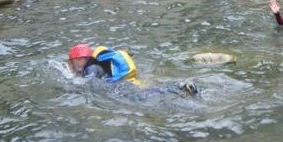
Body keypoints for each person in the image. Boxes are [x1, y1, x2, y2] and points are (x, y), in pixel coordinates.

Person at [67, 44, 198, 96]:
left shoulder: (91, 68)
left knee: (147, 95)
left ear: (80, 60)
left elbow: (88, 83)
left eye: (73, 61)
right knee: (150, 91)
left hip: (121, 86)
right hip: (127, 80)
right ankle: (179, 86)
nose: (72, 65)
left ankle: (178, 87)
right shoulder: (97, 62)